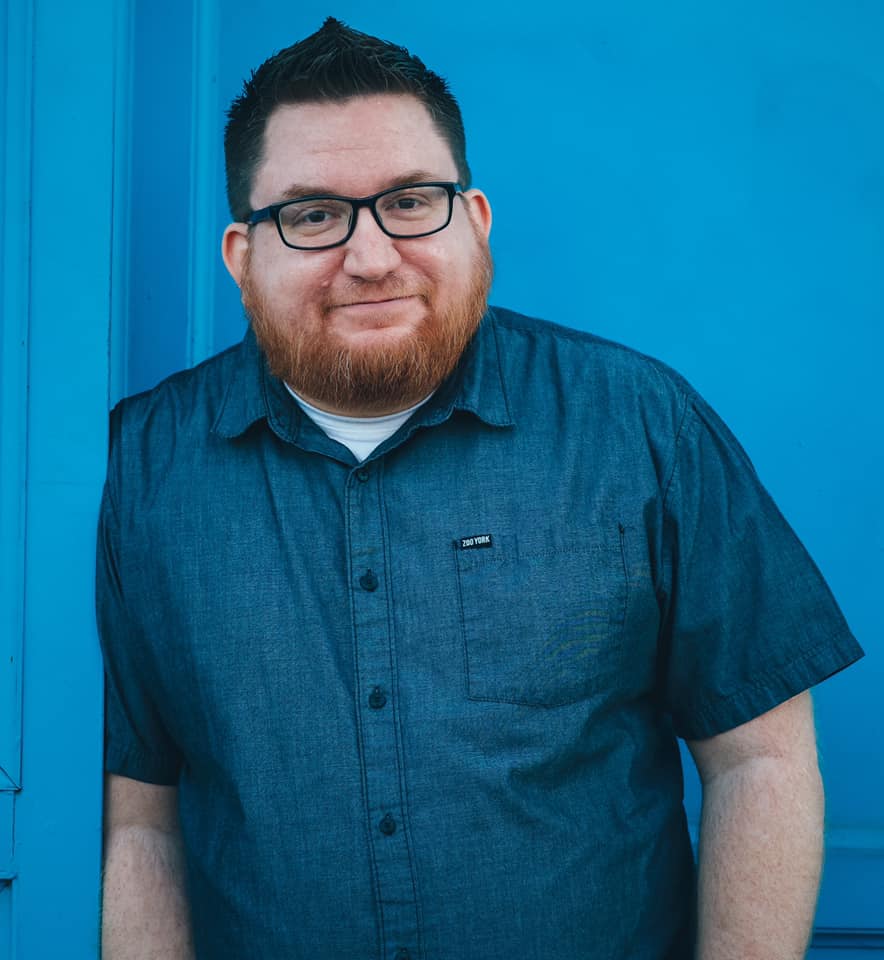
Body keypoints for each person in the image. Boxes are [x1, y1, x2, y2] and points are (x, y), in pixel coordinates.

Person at [97, 17, 863, 960]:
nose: (371, 257)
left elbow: (760, 761)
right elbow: (137, 821)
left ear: (476, 220)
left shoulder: (638, 425)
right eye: (312, 215)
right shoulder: (142, 469)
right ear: (242, 255)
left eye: (411, 201)